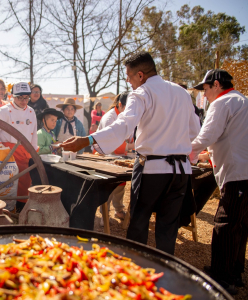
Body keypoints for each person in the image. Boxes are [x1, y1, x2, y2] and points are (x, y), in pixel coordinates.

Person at [61, 51, 200, 255]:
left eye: (129, 75)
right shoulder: (181, 93)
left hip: (152, 169)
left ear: (141, 75)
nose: (128, 81)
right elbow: (195, 131)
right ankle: (166, 271)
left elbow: (124, 125)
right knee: (168, 226)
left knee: (139, 222)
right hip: (180, 171)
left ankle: (135, 266)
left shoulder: (141, 93)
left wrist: (88, 139)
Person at [190, 69, 248, 294]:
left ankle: (222, 279)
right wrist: (207, 155)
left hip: (237, 175)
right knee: (240, 225)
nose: (204, 95)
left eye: (204, 89)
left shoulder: (222, 103)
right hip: (243, 171)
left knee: (225, 224)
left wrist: (182, 149)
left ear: (216, 85)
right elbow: (230, 138)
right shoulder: (242, 100)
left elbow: (206, 137)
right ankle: (235, 271)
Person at [0, 82, 38, 212]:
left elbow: (34, 133)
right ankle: (4, 209)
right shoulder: (3, 111)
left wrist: (34, 152)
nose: (24, 101)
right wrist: (2, 149)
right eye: (20, 98)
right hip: (8, 154)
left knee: (24, 183)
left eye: (26, 98)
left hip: (26, 152)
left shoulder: (31, 111)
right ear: (12, 96)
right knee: (7, 183)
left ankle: (21, 210)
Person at [98, 92, 130, 225]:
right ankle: (103, 215)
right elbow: (108, 140)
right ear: (120, 105)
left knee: (120, 184)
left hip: (119, 154)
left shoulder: (125, 115)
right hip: (105, 154)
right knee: (109, 185)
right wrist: (128, 144)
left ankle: (118, 209)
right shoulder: (110, 117)